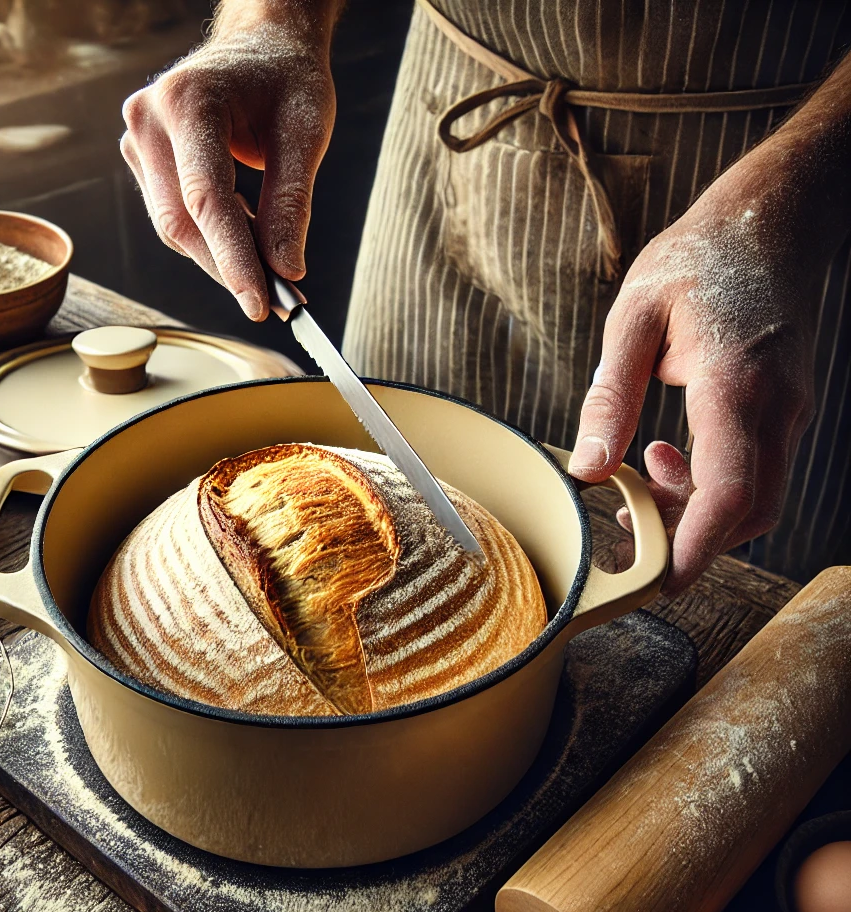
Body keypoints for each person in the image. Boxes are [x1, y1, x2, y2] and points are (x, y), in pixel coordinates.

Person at [119, 0, 851, 593]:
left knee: (746, 599)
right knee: (390, 524)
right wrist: (270, 21)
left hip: (785, 176)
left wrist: (790, 206)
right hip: (457, 130)